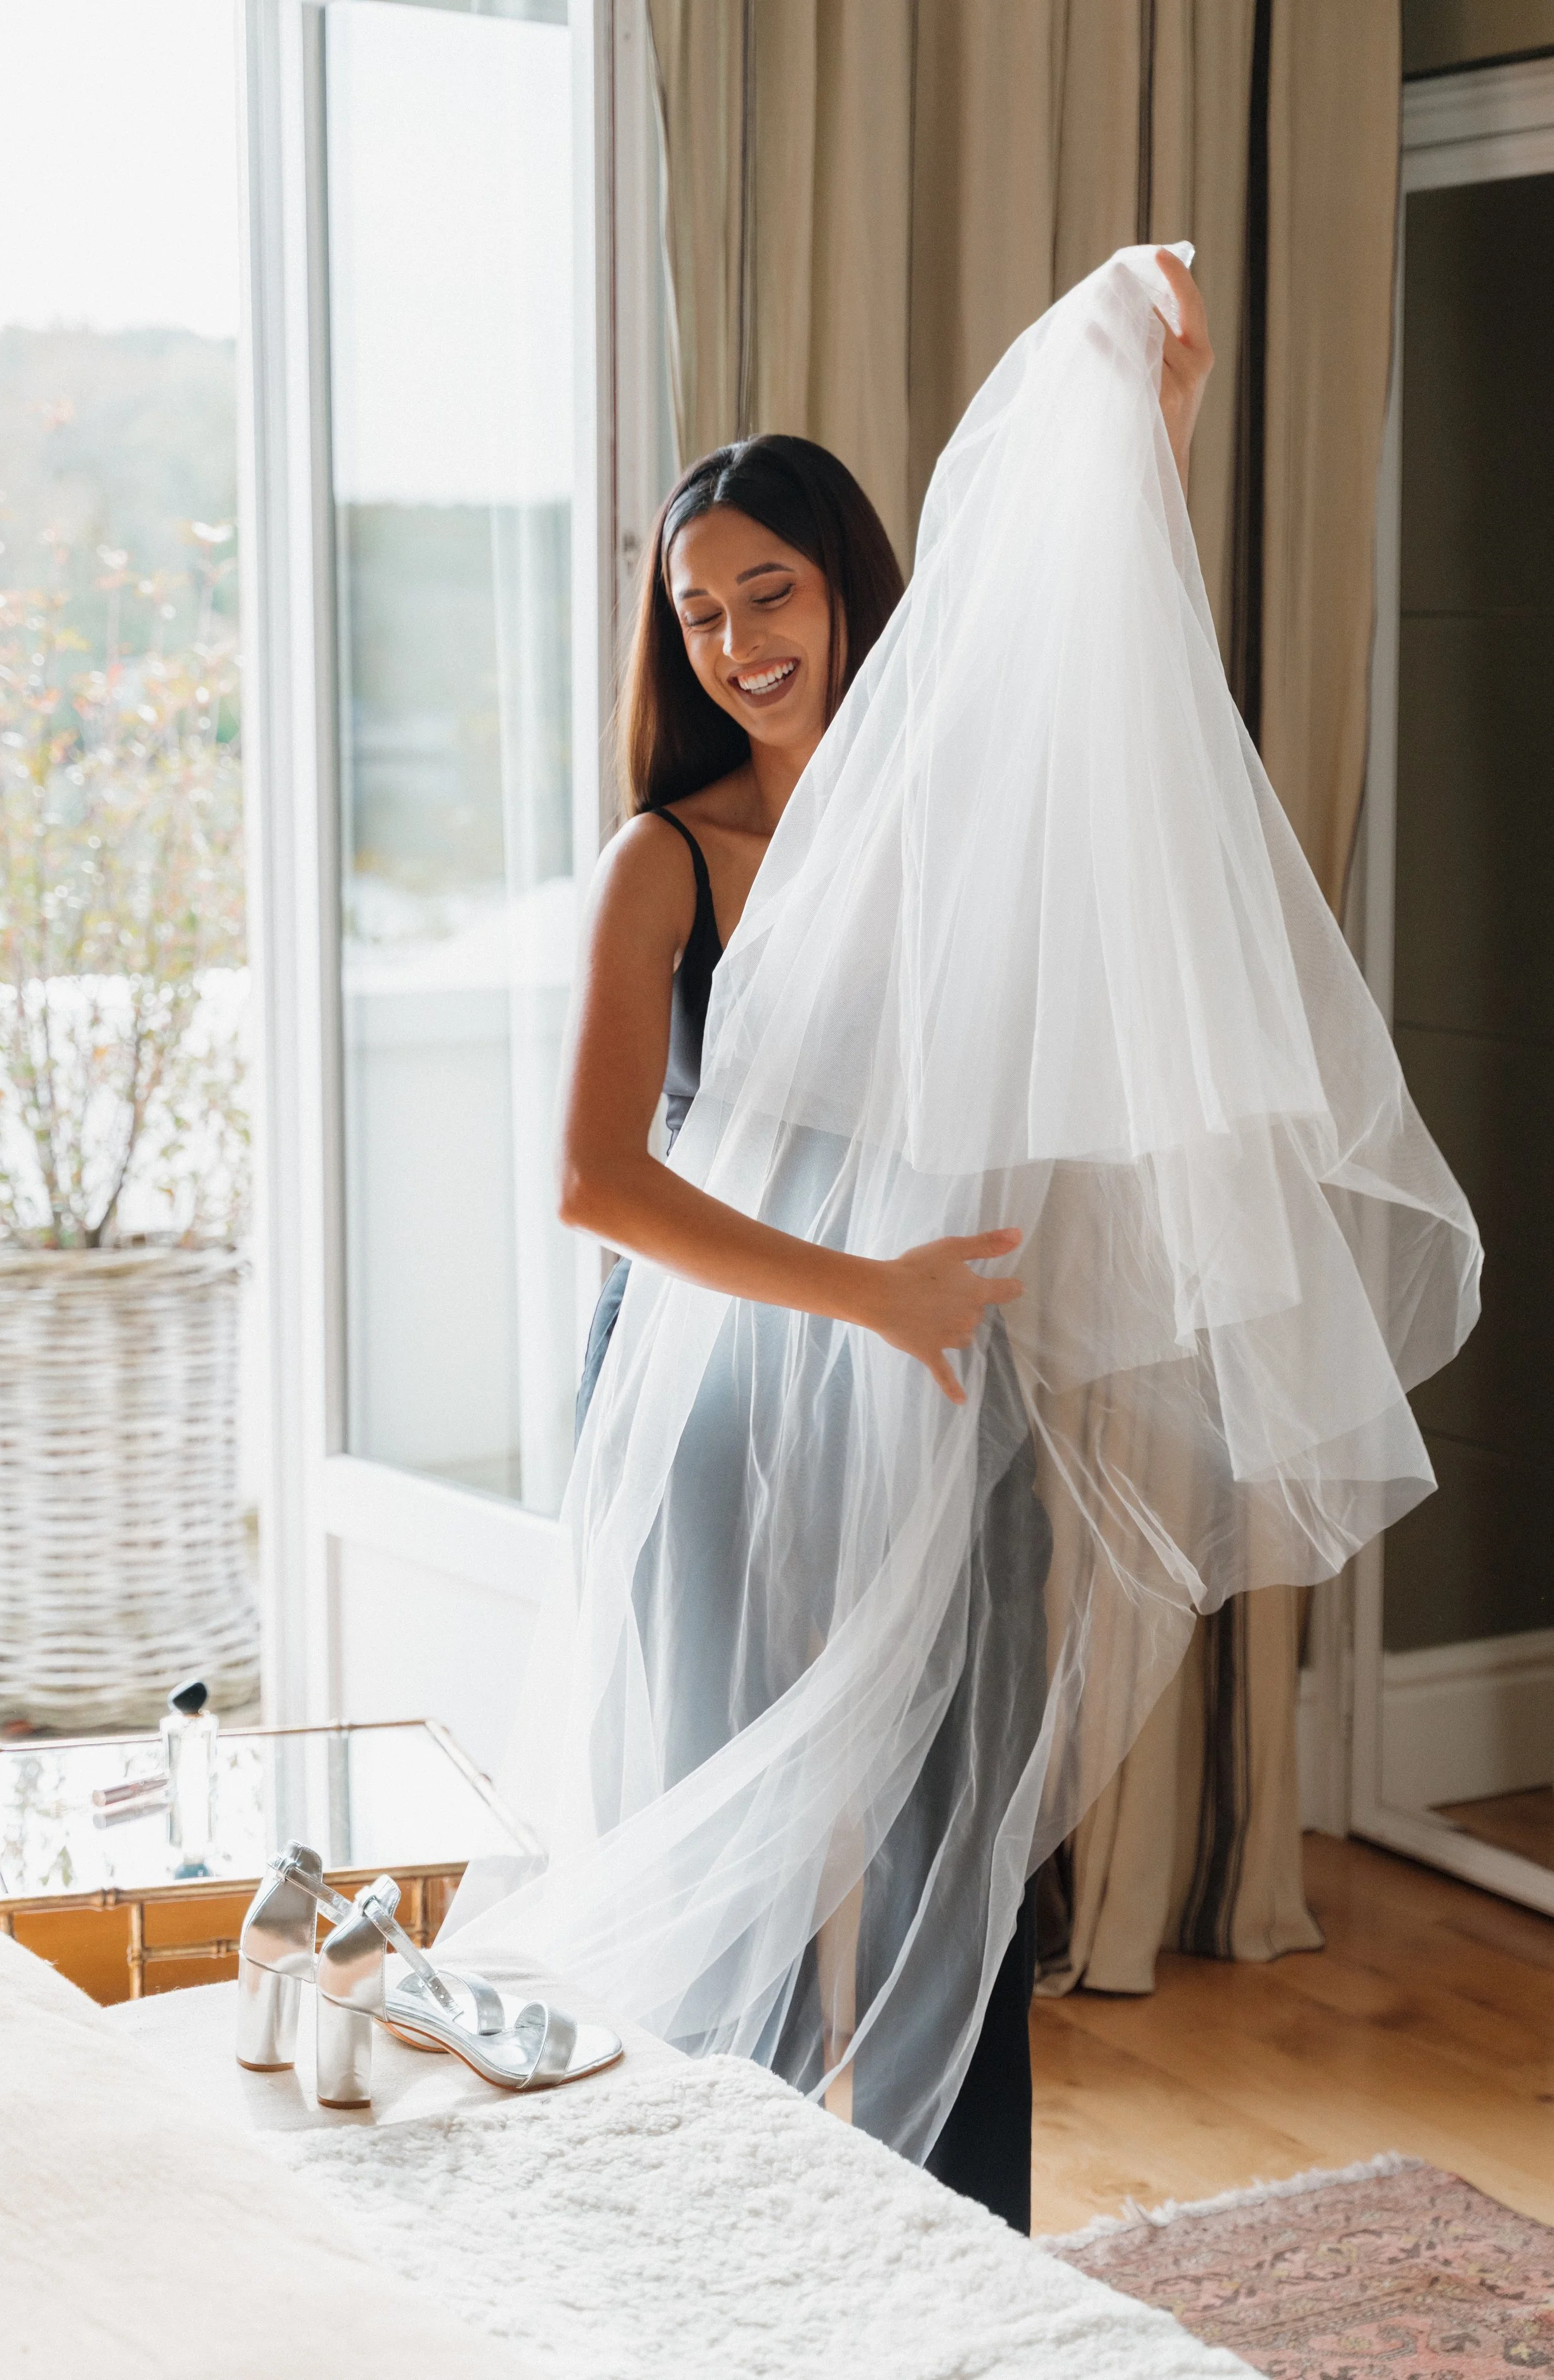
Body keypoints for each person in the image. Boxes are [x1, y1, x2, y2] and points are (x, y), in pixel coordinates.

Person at [553, 252, 1216, 2231]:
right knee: (732, 1844)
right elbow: (594, 1185)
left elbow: (1090, 628)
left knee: (950, 1845)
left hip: (942, 1375)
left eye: (770, 590)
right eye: (700, 610)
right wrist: (868, 1294)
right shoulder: (666, 860)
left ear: (844, 586)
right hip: (725, 1385)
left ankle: (962, 2269)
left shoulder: (950, 820)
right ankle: (727, 2265)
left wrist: (1141, 392)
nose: (741, 638)